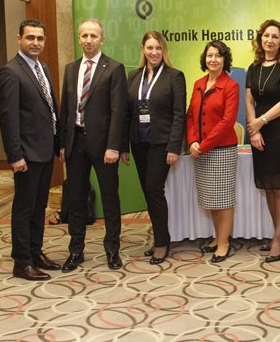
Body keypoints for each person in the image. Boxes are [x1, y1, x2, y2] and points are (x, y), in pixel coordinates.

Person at [59, 19, 128, 272]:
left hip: (104, 146)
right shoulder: (70, 69)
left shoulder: (114, 68)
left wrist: (114, 146)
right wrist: (63, 143)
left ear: (102, 39)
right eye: (85, 35)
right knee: (76, 199)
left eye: (94, 36)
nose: (89, 40)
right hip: (75, 143)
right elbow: (65, 109)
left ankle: (112, 250)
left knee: (110, 199)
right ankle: (76, 250)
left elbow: (119, 111)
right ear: (79, 38)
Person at [0, 19, 61, 281]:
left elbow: (50, 110)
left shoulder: (42, 68)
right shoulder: (10, 72)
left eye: (40, 38)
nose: (36, 43)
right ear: (19, 39)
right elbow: (8, 118)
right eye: (30, 37)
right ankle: (21, 262)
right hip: (26, 155)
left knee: (39, 206)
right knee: (24, 208)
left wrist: (57, 144)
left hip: (44, 151)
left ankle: (35, 253)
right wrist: (15, 156)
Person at [121, 31, 186, 264]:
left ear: (164, 50)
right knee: (148, 192)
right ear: (143, 50)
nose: (154, 52)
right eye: (150, 48)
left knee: (154, 189)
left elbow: (179, 114)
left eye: (158, 48)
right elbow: (126, 114)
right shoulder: (133, 76)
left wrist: (174, 147)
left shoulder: (174, 76)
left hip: (161, 143)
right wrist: (124, 146)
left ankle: (161, 242)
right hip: (139, 142)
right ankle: (160, 237)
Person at [245, 19, 280, 263]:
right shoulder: (253, 68)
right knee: (268, 185)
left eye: (275, 36)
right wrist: (254, 130)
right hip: (260, 132)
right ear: (260, 39)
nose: (270, 40)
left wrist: (261, 121)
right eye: (266, 35)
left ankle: (278, 239)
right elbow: (249, 101)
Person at [186, 40, 239, 263]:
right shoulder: (198, 83)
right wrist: (192, 141)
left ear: (225, 59)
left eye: (218, 55)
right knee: (211, 198)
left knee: (223, 199)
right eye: (209, 55)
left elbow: (227, 121)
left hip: (222, 150)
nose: (213, 59)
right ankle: (218, 237)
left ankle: (224, 243)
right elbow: (190, 115)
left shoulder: (231, 86)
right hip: (200, 149)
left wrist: (204, 145)